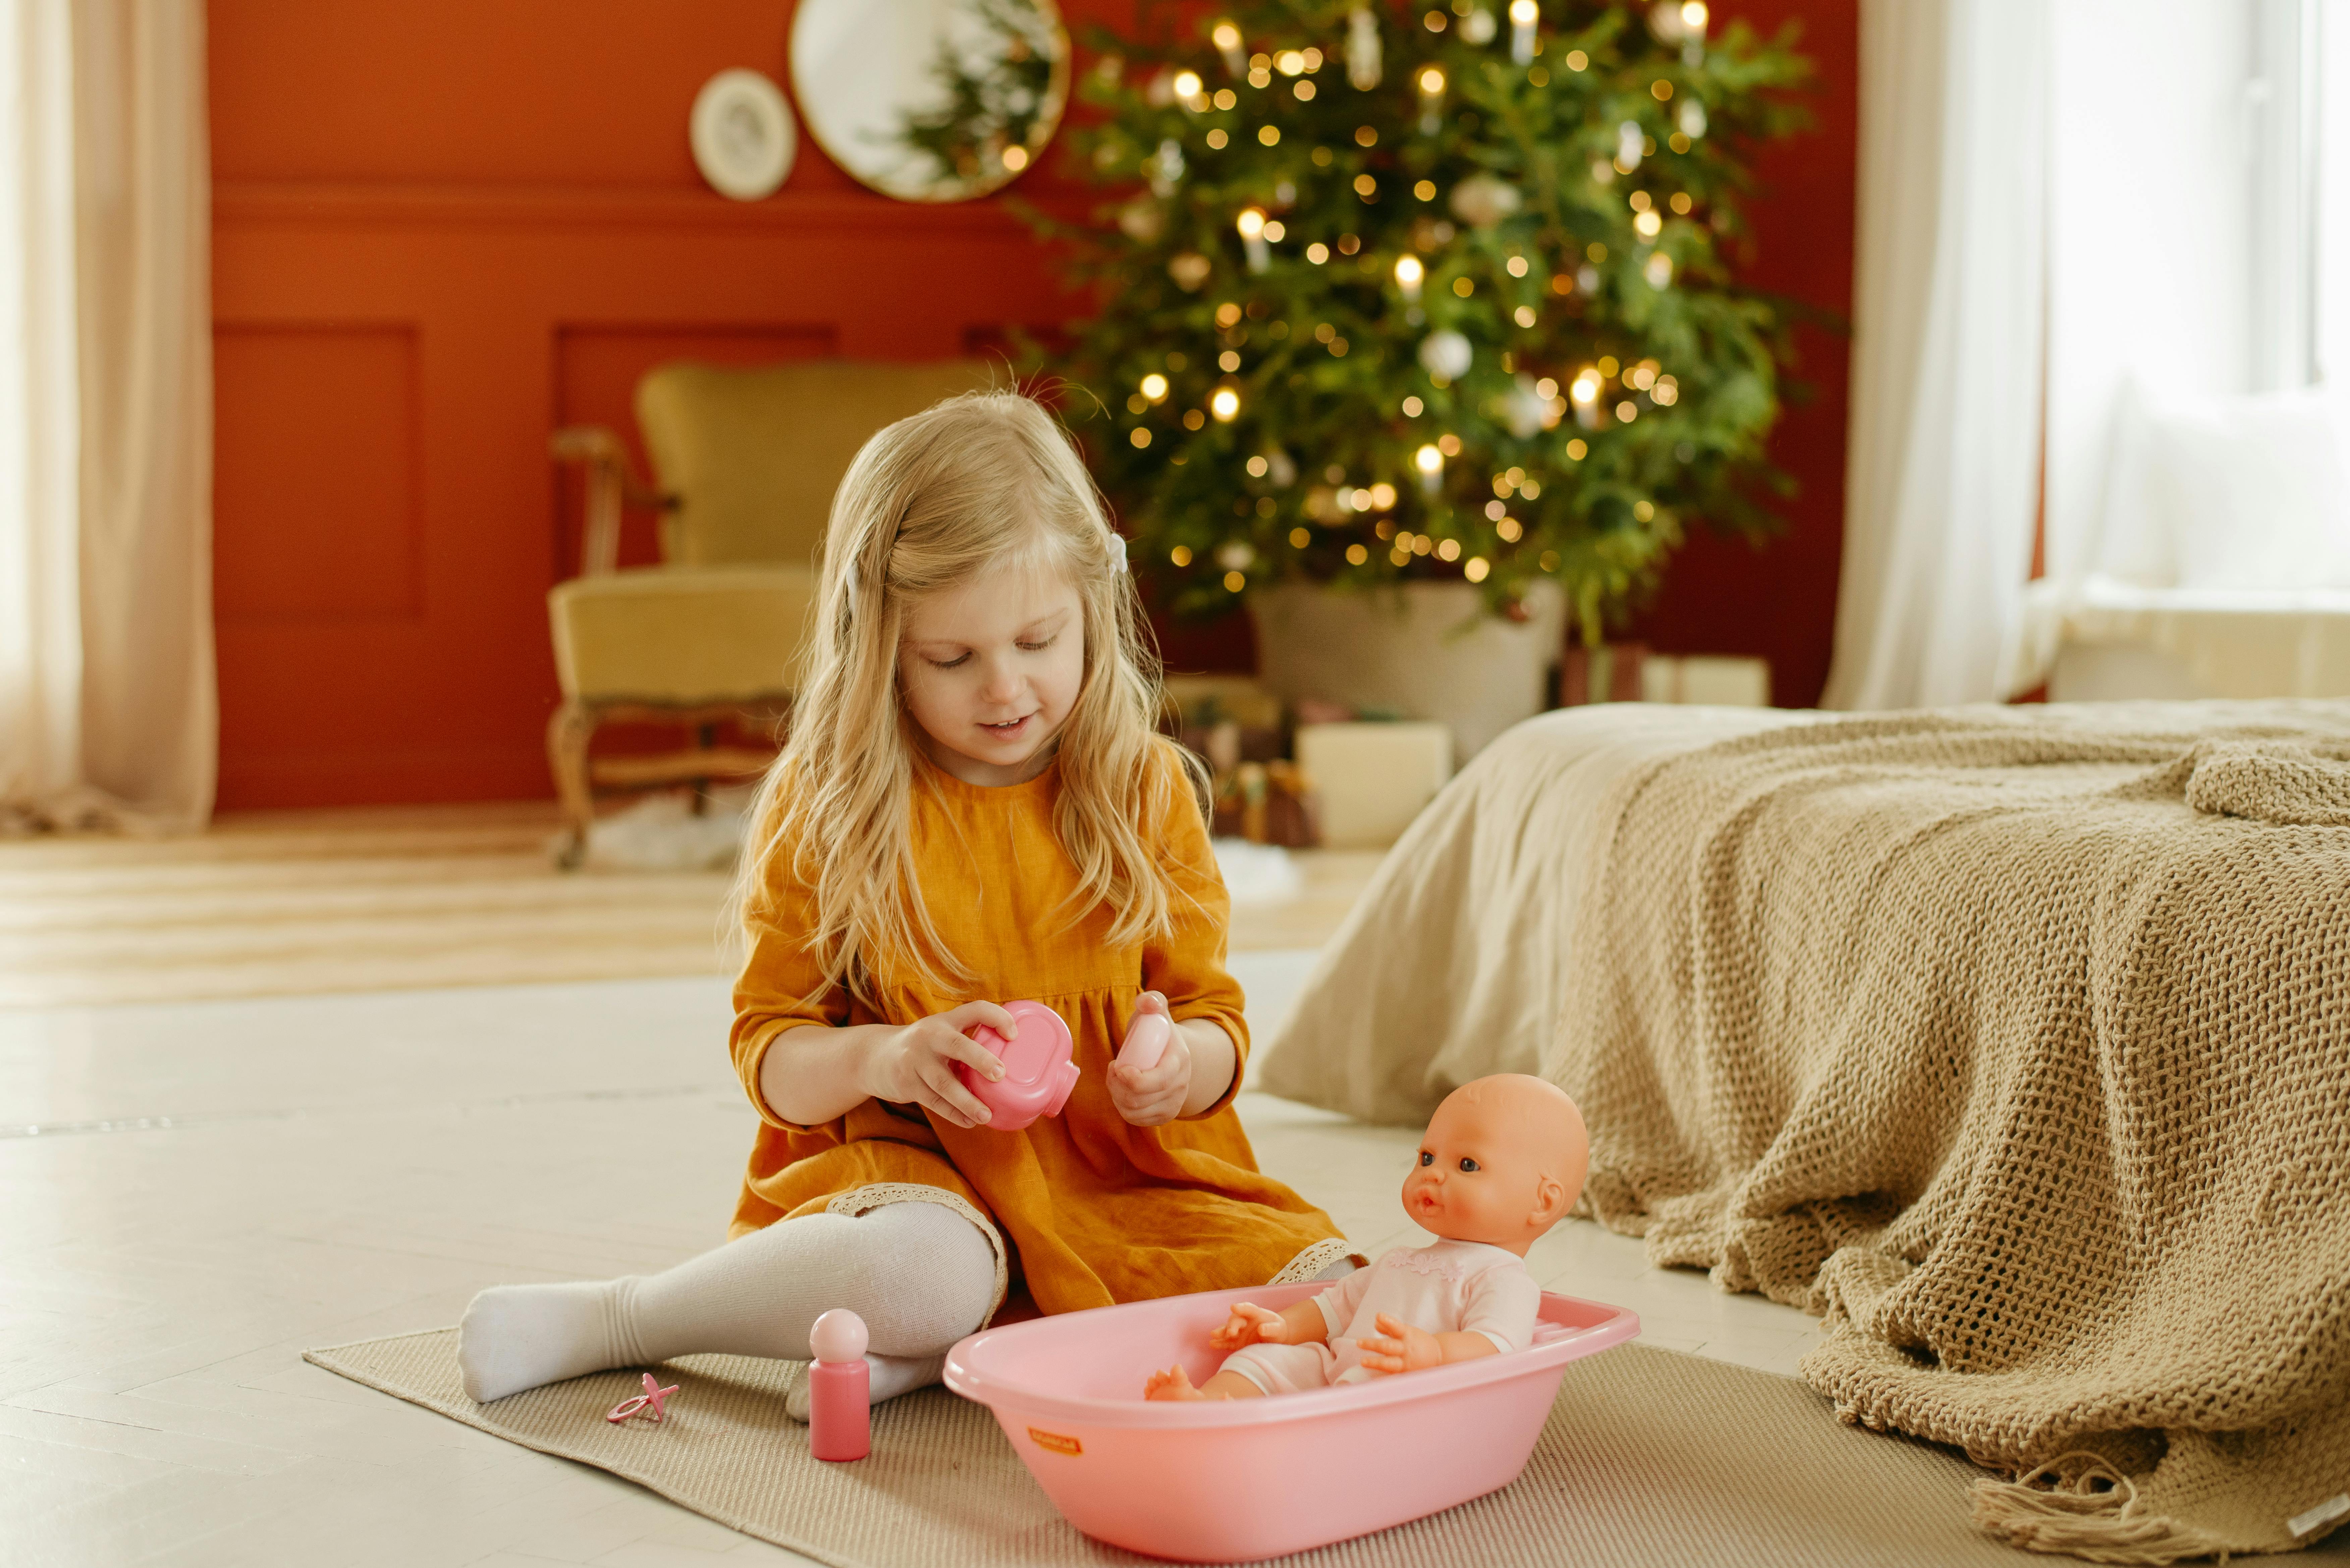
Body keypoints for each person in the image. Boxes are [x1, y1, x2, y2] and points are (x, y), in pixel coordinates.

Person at [457, 391, 1352, 1413]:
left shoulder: (1142, 785)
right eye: (953, 658)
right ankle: (629, 1315)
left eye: (1038, 639)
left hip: (1128, 1181)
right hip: (918, 1179)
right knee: (927, 1274)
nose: (1006, 687)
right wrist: (887, 1058)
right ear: (881, 645)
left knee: (1323, 1290)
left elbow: (1215, 1025)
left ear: (1093, 609)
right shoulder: (833, 798)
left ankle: (936, 1352)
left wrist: (1176, 1067)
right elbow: (774, 1056)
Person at [1145, 1075, 1587, 1400]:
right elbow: (1334, 1306)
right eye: (1427, 1156)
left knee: (1358, 1388)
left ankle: (1252, 1432)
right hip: (1337, 1367)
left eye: (1467, 1164)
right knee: (1265, 1362)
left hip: (1406, 1390)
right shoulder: (1398, 1260)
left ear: (1543, 1201)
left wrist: (1434, 1352)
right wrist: (1281, 1327)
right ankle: (1210, 1406)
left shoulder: (1505, 1280)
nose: (1432, 1173)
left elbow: (1497, 1345)